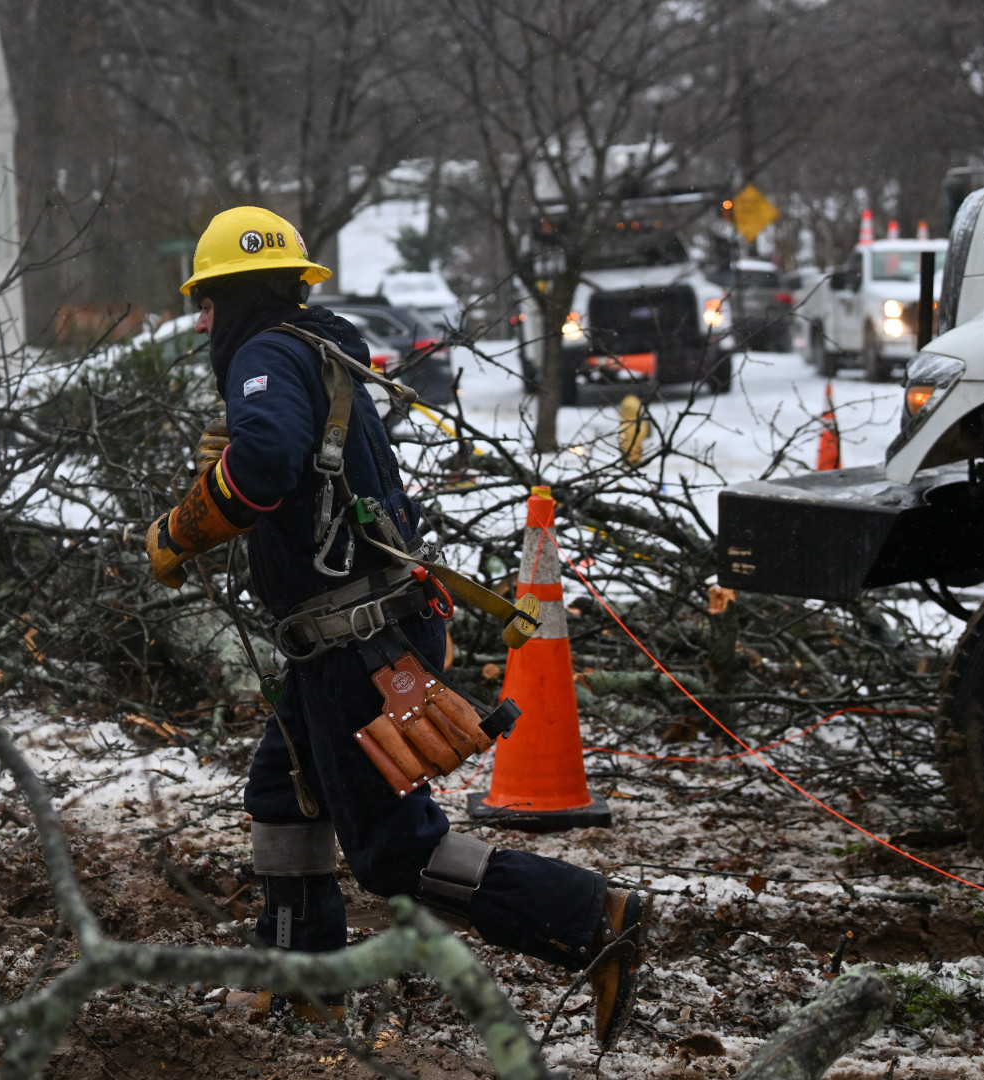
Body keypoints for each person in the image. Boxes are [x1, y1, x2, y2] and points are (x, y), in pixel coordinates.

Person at [145, 206, 644, 1047]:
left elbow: (263, 467)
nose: (201, 323)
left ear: (229, 300)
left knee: (392, 853)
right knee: (281, 792)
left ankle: (593, 918)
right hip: (352, 638)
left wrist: (183, 526)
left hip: (356, 648)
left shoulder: (266, 354)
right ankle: (300, 982)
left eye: (206, 305)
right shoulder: (317, 351)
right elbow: (294, 471)